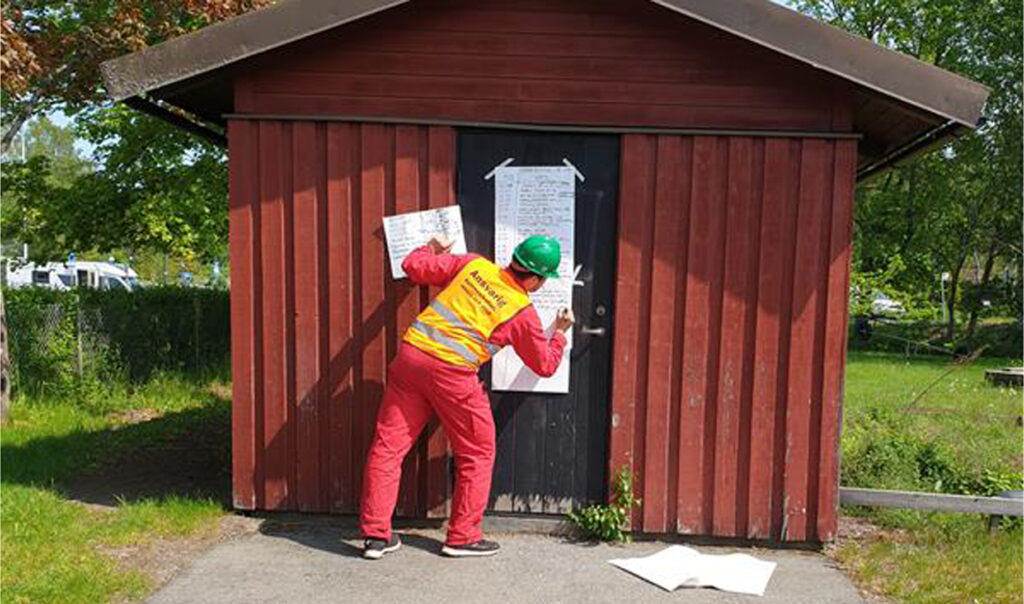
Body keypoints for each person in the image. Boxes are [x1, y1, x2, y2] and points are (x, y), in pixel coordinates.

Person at [360, 234, 574, 559]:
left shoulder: (473, 264)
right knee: (478, 451)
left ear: (514, 259)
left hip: (411, 358)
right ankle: (462, 537)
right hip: (453, 375)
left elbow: (413, 266)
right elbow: (545, 365)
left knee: (388, 448)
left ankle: (376, 537)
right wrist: (559, 334)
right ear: (536, 279)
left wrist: (431, 248)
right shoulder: (521, 312)